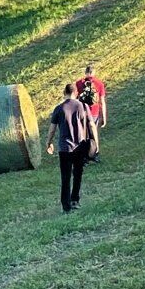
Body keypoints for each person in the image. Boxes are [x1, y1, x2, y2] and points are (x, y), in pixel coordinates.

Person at [45, 83, 93, 213]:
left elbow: (52, 129)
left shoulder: (58, 109)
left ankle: (66, 206)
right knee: (78, 174)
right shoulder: (83, 106)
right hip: (80, 146)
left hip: (64, 148)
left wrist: (48, 142)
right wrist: (95, 143)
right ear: (76, 92)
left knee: (65, 177)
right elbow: (90, 125)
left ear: (64, 93)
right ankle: (75, 199)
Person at [74, 64, 107, 162]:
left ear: (85, 72)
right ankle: (95, 153)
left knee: (84, 134)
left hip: (82, 112)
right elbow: (102, 102)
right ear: (94, 72)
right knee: (94, 133)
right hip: (94, 112)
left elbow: (75, 99)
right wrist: (103, 117)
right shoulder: (99, 84)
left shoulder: (78, 83)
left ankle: (84, 156)